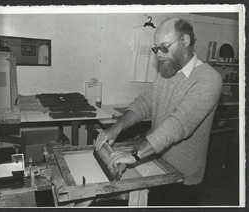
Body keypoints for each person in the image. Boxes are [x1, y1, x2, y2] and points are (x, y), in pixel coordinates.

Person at [95, 18, 223, 206]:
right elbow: (144, 103)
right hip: (156, 164)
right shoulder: (167, 71)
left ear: (185, 42)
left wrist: (136, 154)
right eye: (156, 49)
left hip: (183, 178)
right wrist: (117, 128)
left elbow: (178, 124)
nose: (159, 55)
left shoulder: (209, 79)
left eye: (164, 47)